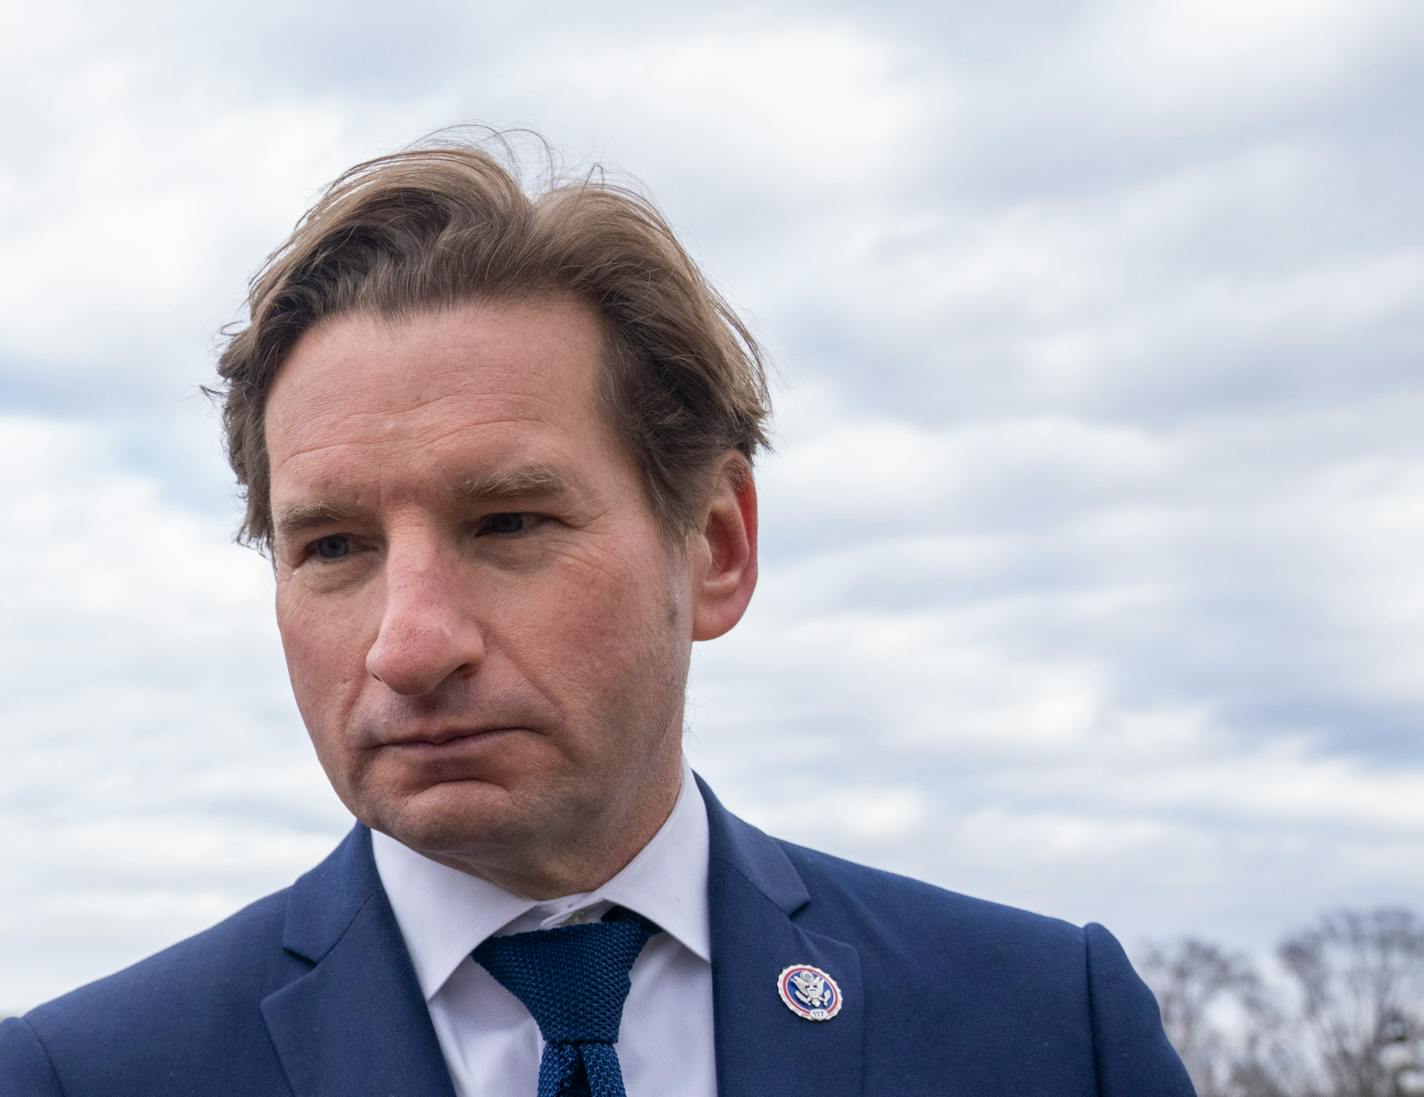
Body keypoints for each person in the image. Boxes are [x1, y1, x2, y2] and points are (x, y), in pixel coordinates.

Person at [0, 137, 1196, 1096]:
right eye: (334, 546)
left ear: (716, 546)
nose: (409, 644)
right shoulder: (79, 1073)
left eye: (509, 522)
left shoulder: (1045, 1026)